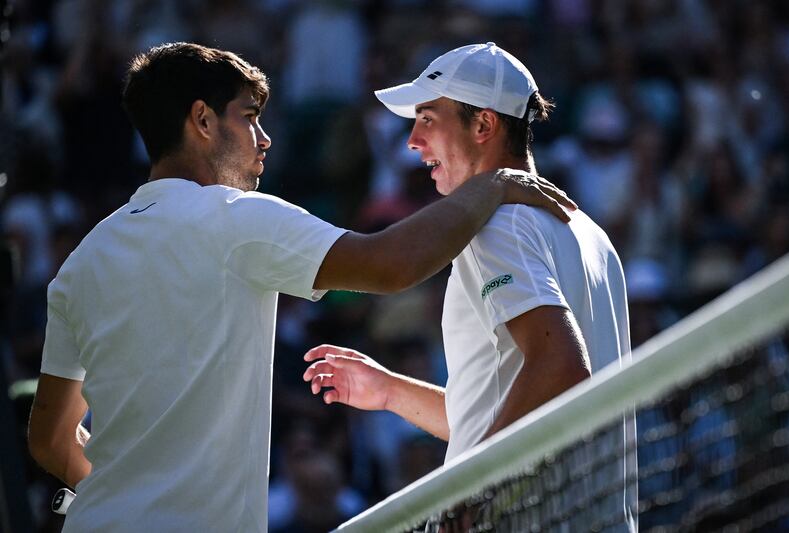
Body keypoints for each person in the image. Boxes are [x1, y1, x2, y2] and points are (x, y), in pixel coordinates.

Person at [25, 42, 574, 532]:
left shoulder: (81, 261)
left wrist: (121, 497)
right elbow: (390, 265)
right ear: (202, 121)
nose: (264, 139)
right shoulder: (237, 219)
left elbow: (50, 438)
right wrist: (496, 185)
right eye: (250, 117)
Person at [304, 42, 637, 530]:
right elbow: (522, 405)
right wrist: (391, 392)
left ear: (484, 125)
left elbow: (561, 365)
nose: (412, 141)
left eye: (427, 119)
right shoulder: (591, 234)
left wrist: (471, 488)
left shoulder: (498, 225)